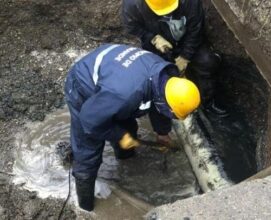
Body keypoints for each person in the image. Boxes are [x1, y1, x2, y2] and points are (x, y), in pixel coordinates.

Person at [64, 44, 200, 211]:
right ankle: (85, 207)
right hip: (83, 88)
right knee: (89, 152)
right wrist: (121, 135)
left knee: (128, 130)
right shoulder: (125, 95)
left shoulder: (166, 77)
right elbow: (90, 122)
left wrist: (162, 133)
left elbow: (158, 105)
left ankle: (126, 160)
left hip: (115, 77)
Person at [122, 0, 228, 117]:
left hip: (186, 40)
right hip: (158, 46)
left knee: (207, 62)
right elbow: (131, 27)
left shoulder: (190, 2)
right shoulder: (133, 4)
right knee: (162, 76)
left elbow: (195, 30)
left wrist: (185, 57)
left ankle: (207, 101)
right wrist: (153, 38)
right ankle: (172, 106)